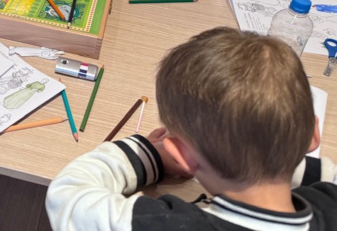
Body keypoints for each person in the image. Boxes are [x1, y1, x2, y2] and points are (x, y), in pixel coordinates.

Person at [46, 27, 337, 230]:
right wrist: (275, 152)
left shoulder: (167, 225)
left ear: (182, 155)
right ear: (312, 134)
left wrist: (150, 154)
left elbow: (68, 196)